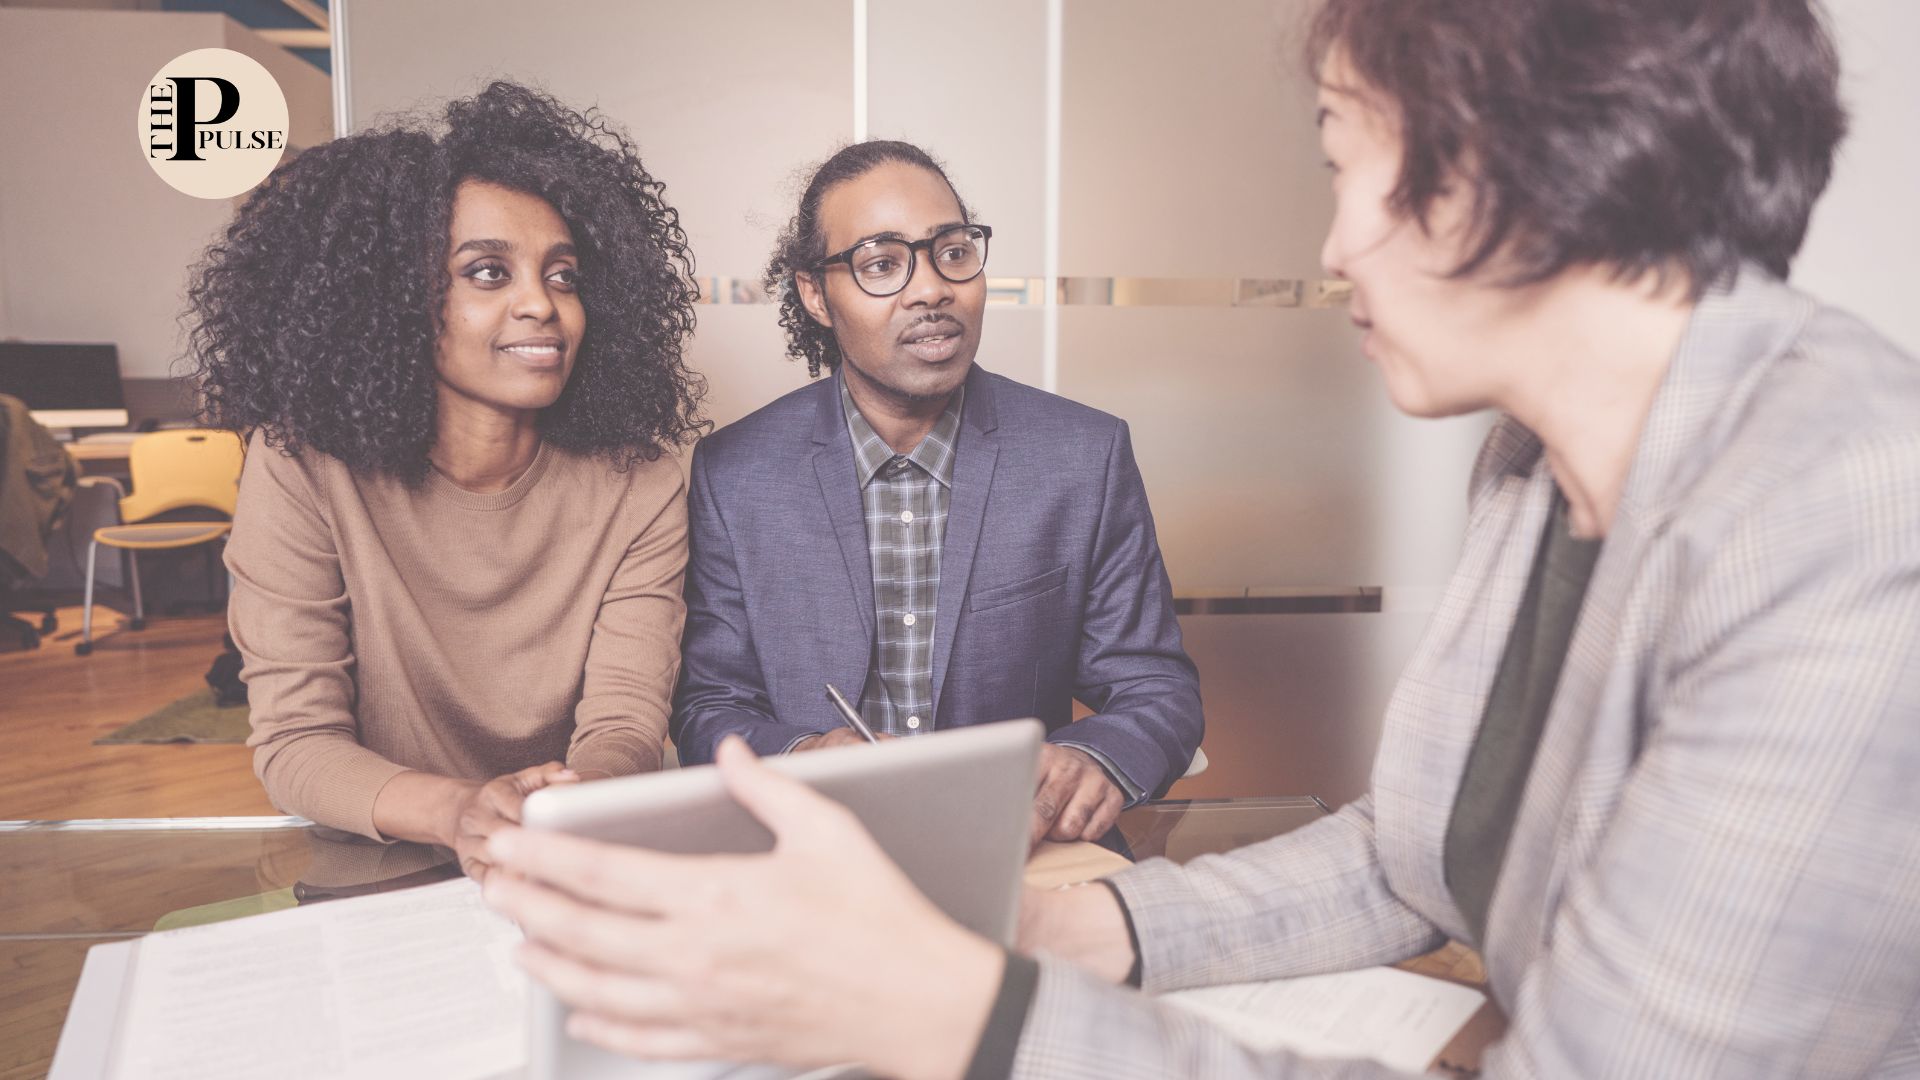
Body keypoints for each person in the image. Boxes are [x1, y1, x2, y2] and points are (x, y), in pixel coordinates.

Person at [482, 0, 1920, 1075]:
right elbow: (1398, 865)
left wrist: (968, 1012)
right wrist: (1047, 936)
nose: (1335, 245)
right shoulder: (1531, 462)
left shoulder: (1846, 511)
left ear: (1520, 161)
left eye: (1348, 165)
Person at [194, 82, 705, 879]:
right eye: (488, 273)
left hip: (574, 857)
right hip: (377, 871)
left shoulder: (639, 482)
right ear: (394, 298)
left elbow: (626, 725)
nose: (542, 305)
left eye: (563, 276)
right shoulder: (302, 464)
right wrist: (460, 812)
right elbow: (296, 744)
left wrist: (558, 811)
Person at [670, 140, 1203, 845]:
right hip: (816, 857)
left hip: (1024, 856)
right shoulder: (736, 474)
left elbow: (1155, 690)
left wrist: (1089, 758)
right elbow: (710, 704)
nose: (932, 289)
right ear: (814, 294)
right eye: (882, 264)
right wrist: (807, 758)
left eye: (951, 252)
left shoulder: (1082, 457)